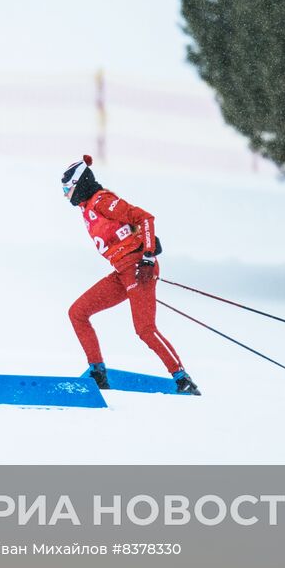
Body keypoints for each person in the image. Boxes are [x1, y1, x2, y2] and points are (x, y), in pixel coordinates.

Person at [61, 155, 200, 395]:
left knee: (145, 329)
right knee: (78, 313)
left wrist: (147, 256)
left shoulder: (102, 201)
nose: (65, 195)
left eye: (67, 188)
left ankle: (183, 379)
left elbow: (144, 217)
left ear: (80, 182)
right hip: (122, 273)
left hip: (138, 270)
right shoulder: (89, 208)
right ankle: (98, 373)